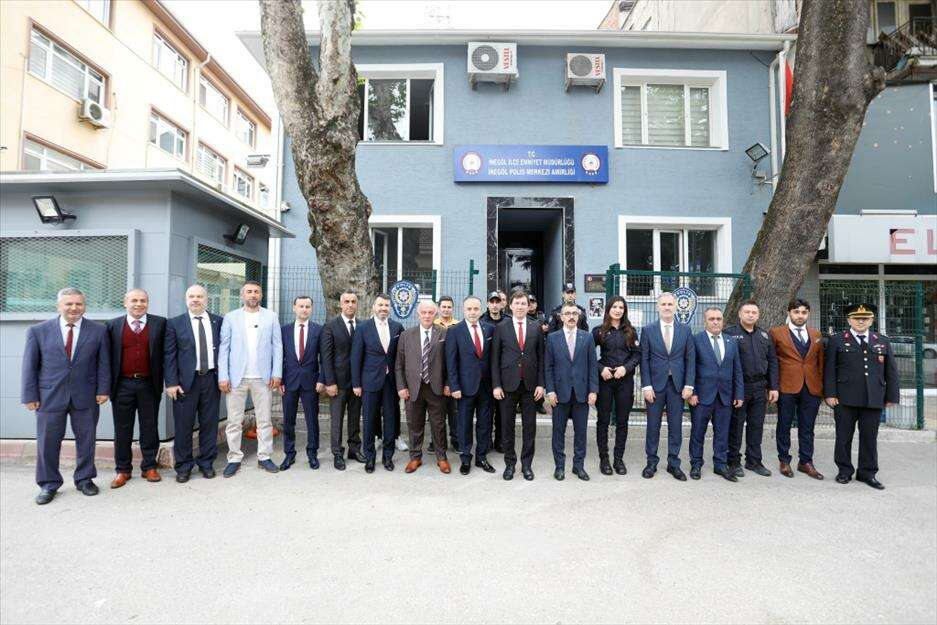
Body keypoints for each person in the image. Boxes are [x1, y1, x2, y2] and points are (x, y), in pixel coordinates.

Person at [21, 287, 110, 505]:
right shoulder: (38, 331)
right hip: (49, 396)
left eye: (78, 304)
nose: (74, 308)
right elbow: (29, 366)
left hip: (86, 395)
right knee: (47, 442)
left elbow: (104, 363)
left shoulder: (98, 330)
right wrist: (30, 395)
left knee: (87, 441)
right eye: (69, 304)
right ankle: (48, 483)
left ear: (84, 306)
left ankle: (85, 479)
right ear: (58, 306)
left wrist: (103, 389)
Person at [824, 303, 899, 490]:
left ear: (872, 320)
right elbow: (829, 369)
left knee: (869, 438)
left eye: (865, 318)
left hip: (873, 398)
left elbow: (891, 371)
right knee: (843, 437)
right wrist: (830, 394)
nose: (860, 321)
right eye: (856, 318)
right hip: (844, 398)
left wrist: (892, 396)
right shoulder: (837, 340)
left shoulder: (882, 341)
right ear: (849, 320)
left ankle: (868, 473)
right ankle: (844, 471)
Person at [218, 281, 283, 477]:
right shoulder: (231, 317)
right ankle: (234, 458)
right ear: (242, 295)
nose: (253, 295)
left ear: (261, 295)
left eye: (256, 292)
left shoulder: (271, 317)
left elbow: (277, 346)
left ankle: (264, 456)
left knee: (264, 420)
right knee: (234, 421)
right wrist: (223, 376)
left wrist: (276, 373)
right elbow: (224, 348)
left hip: (263, 378)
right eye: (249, 292)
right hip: (236, 378)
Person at [105, 288, 166, 488]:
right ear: (125, 303)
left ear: (147, 303)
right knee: (122, 429)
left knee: (150, 427)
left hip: (149, 384)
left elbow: (167, 355)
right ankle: (123, 470)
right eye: (134, 300)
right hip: (122, 385)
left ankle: (149, 466)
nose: (139, 304)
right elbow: (105, 359)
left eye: (143, 300)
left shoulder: (160, 324)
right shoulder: (112, 326)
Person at [164, 285, 222, 482]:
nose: (195, 299)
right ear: (186, 299)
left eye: (199, 296)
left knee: (209, 424)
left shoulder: (218, 321)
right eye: (192, 296)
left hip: (211, 380)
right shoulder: (174, 323)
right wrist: (171, 382)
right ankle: (183, 466)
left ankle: (206, 463)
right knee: (183, 426)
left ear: (206, 299)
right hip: (184, 383)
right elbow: (169, 355)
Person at [640, 292, 695, 481]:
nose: (667, 307)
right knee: (653, 425)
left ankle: (674, 463)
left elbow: (690, 359)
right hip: (655, 385)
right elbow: (644, 360)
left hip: (677, 386)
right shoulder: (648, 330)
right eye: (663, 304)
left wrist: (689, 384)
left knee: (675, 425)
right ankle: (651, 462)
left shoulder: (685, 330)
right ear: (658, 307)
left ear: (675, 307)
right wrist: (646, 386)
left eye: (670, 304)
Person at [491, 290, 545, 481]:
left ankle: (527, 465)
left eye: (523, 304)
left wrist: (541, 384)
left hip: (530, 386)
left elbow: (542, 358)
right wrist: (496, 385)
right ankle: (510, 464)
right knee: (507, 427)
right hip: (507, 385)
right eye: (517, 303)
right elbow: (495, 359)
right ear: (510, 306)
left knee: (530, 427)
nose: (520, 307)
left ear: (528, 306)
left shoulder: (536, 327)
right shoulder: (501, 327)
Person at [723, 300, 779, 478]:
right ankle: (733, 461)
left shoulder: (764, 335)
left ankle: (754, 461)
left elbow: (772, 361)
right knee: (736, 426)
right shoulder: (729, 333)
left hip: (760, 387)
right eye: (747, 312)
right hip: (739, 387)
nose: (750, 315)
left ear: (758, 315)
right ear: (740, 314)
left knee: (756, 426)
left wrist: (773, 386)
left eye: (754, 312)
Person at [770, 298, 825, 480]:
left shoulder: (816, 334)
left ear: (808, 314)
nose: (800, 316)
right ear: (789, 313)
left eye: (803, 312)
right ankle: (784, 460)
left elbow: (820, 363)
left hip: (811, 386)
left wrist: (822, 388)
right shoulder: (776, 333)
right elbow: (772, 362)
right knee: (784, 424)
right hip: (786, 386)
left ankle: (806, 462)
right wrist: (773, 386)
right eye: (796, 312)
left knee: (807, 426)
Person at [688, 308, 744, 482]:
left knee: (722, 433)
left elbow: (737, 369)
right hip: (701, 396)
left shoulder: (731, 341)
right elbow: (691, 367)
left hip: (725, 396)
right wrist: (692, 392)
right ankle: (696, 464)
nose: (715, 322)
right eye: (711, 319)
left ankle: (720, 464)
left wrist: (739, 393)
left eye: (718, 319)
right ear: (705, 321)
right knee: (698, 432)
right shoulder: (696, 340)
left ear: (723, 321)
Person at [544, 302, 598, 481]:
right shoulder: (552, 338)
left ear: (579, 316)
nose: (571, 316)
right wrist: (550, 391)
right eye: (567, 313)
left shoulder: (587, 337)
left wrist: (593, 390)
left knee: (581, 432)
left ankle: (578, 466)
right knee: (558, 432)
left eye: (574, 313)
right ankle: (559, 466)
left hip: (582, 393)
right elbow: (548, 367)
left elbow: (592, 365)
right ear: (561, 317)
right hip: (559, 393)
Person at [396, 300, 451, 474]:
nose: (427, 315)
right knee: (414, 424)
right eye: (423, 312)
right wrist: (401, 386)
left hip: (436, 387)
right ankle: (415, 457)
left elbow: (450, 362)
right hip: (413, 387)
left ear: (435, 314)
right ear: (418, 314)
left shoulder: (444, 333)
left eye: (430, 312)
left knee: (438, 424)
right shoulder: (406, 335)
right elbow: (399, 364)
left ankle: (441, 458)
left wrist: (448, 383)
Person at [352, 293, 403, 473]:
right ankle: (370, 457)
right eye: (380, 305)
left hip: (391, 383)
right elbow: (356, 357)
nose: (383, 308)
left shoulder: (397, 327)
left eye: (386, 305)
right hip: (369, 382)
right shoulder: (363, 328)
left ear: (390, 308)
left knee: (390, 420)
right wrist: (356, 384)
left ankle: (388, 457)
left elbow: (400, 357)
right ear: (374, 307)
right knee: (369, 421)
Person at [445, 296, 496, 476]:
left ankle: (481, 457)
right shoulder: (454, 331)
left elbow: (493, 359)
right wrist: (454, 386)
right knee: (464, 423)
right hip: (464, 387)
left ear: (481, 310)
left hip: (486, 386)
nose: (473, 312)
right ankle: (465, 458)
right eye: (469, 309)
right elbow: (451, 362)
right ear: (463, 310)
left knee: (485, 423)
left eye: (476, 309)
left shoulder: (490, 329)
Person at [592, 296, 641, 476]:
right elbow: (588, 354)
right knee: (603, 421)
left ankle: (618, 459)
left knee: (622, 421)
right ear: (608, 309)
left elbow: (637, 355)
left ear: (624, 310)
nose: (618, 310)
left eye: (621, 307)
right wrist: (600, 368)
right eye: (615, 307)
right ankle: (604, 459)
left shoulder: (630, 332)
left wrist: (625, 368)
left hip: (624, 381)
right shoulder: (599, 331)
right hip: (605, 381)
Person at [279, 295, 325, 471]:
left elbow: (324, 359)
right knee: (288, 420)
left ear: (311, 309)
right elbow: (280, 356)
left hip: (311, 382)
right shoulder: (284, 330)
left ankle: (312, 453)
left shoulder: (318, 330)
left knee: (312, 420)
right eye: (301, 306)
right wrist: (280, 380)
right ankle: (289, 454)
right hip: (289, 382)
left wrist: (321, 379)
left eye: (307, 306)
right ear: (294, 308)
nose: (304, 309)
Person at [321, 290, 365, 470]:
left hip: (357, 383)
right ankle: (337, 453)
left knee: (355, 417)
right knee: (337, 420)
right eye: (346, 301)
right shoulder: (330, 326)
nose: (350, 305)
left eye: (353, 301)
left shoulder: (362, 325)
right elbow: (326, 357)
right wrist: (330, 382)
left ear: (357, 304)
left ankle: (354, 449)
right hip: (337, 384)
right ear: (340, 304)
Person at [433, 295, 461, 452]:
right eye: (443, 306)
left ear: (453, 309)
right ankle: (437, 441)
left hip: (454, 374)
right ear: (438, 308)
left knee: (454, 411)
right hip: (436, 374)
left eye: (449, 307)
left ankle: (455, 440)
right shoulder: (432, 324)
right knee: (437, 412)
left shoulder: (458, 325)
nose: (446, 309)